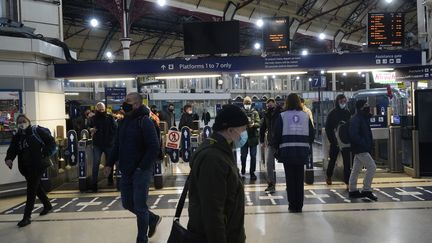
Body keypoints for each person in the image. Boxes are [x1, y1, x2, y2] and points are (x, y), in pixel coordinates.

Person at [104, 92, 161, 243]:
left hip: (141, 171)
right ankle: (153, 218)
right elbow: (117, 145)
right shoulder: (123, 122)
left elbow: (154, 147)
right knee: (127, 203)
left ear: (136, 104)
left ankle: (141, 239)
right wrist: (109, 163)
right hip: (126, 169)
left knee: (140, 206)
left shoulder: (145, 121)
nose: (125, 103)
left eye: (128, 101)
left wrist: (142, 167)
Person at [188, 104, 248, 243]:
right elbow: (213, 211)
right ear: (230, 129)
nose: (245, 132)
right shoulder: (213, 159)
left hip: (230, 233)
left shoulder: (222, 151)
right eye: (243, 129)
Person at [5, 114, 57, 227]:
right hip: (25, 167)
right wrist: (9, 158)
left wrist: (44, 153)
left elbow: (52, 143)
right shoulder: (18, 136)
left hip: (38, 165)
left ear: (28, 121)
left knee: (31, 190)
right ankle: (47, 205)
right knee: (36, 187)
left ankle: (26, 217)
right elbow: (12, 149)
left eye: (23, 121)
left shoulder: (36, 131)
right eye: (19, 122)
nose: (21, 123)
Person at [273, 94, 315, 213]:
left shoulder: (282, 116)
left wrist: (277, 147)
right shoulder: (305, 116)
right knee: (299, 179)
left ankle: (292, 205)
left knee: (290, 180)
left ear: (287, 102)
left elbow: (277, 135)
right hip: (302, 152)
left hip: (287, 152)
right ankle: (299, 205)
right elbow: (311, 135)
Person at [348, 100, 377, 201]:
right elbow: (354, 134)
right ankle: (366, 189)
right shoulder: (356, 119)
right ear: (361, 107)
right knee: (372, 167)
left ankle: (352, 190)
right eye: (365, 105)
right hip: (361, 148)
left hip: (361, 148)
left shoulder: (362, 118)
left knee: (356, 169)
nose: (368, 106)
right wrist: (364, 143)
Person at [88, 102, 117, 192]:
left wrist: (114, 140)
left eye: (102, 109)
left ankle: (110, 179)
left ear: (105, 109)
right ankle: (94, 185)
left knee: (109, 163)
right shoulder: (93, 118)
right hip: (97, 144)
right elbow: (88, 126)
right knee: (96, 164)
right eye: (99, 109)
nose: (101, 111)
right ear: (96, 109)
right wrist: (91, 129)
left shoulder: (110, 117)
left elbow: (115, 128)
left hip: (109, 143)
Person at [324, 94, 352, 187]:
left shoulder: (347, 112)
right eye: (341, 102)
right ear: (337, 102)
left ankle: (347, 180)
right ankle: (329, 176)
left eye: (344, 102)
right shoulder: (332, 113)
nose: (343, 103)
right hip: (335, 141)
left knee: (347, 162)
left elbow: (350, 126)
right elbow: (328, 128)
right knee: (332, 159)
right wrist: (332, 140)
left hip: (345, 141)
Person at [259, 98, 282, 193]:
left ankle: (289, 184)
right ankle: (271, 184)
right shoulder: (266, 115)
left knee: (286, 163)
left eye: (271, 105)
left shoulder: (281, 113)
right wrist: (261, 141)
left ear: (275, 104)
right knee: (268, 163)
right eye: (268, 106)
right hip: (271, 142)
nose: (270, 107)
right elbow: (262, 128)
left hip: (281, 142)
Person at [240, 96, 260, 180]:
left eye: (248, 103)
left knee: (253, 156)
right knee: (243, 155)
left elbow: (258, 123)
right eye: (246, 103)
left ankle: (252, 172)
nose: (247, 105)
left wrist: (253, 125)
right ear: (243, 104)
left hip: (253, 138)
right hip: (243, 138)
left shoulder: (255, 113)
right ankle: (243, 168)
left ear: (251, 104)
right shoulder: (241, 112)